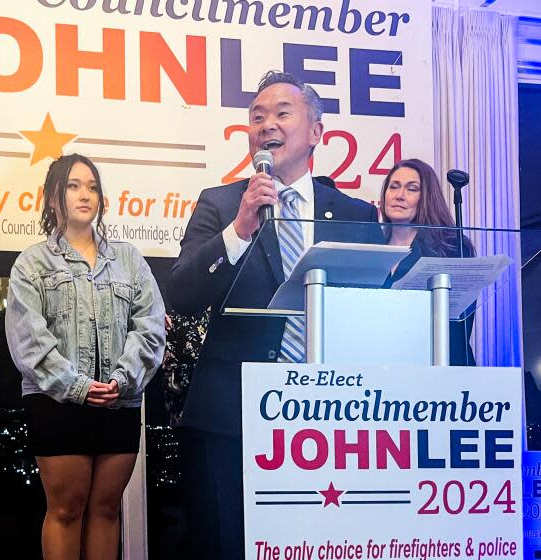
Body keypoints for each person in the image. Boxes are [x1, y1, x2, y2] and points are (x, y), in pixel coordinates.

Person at [168, 70, 381, 559]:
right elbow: (179, 292)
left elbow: (372, 307)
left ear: (316, 132)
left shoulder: (354, 214)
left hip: (331, 418)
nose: (267, 125)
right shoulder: (221, 203)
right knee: (228, 543)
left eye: (282, 113)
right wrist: (239, 231)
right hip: (233, 414)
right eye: (256, 117)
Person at [5, 154, 166, 560]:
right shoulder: (32, 263)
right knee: (64, 510)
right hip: (57, 403)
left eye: (92, 187)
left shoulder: (129, 258)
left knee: (107, 510)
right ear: (54, 198)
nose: (85, 195)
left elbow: (149, 326)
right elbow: (28, 341)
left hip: (120, 401)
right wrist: (76, 386)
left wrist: (123, 379)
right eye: (74, 186)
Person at [380, 158, 476, 366]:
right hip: (384, 366)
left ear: (427, 198)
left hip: (439, 367)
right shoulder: (371, 246)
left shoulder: (451, 247)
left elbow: (460, 325)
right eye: (393, 187)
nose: (399, 195)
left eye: (411, 189)